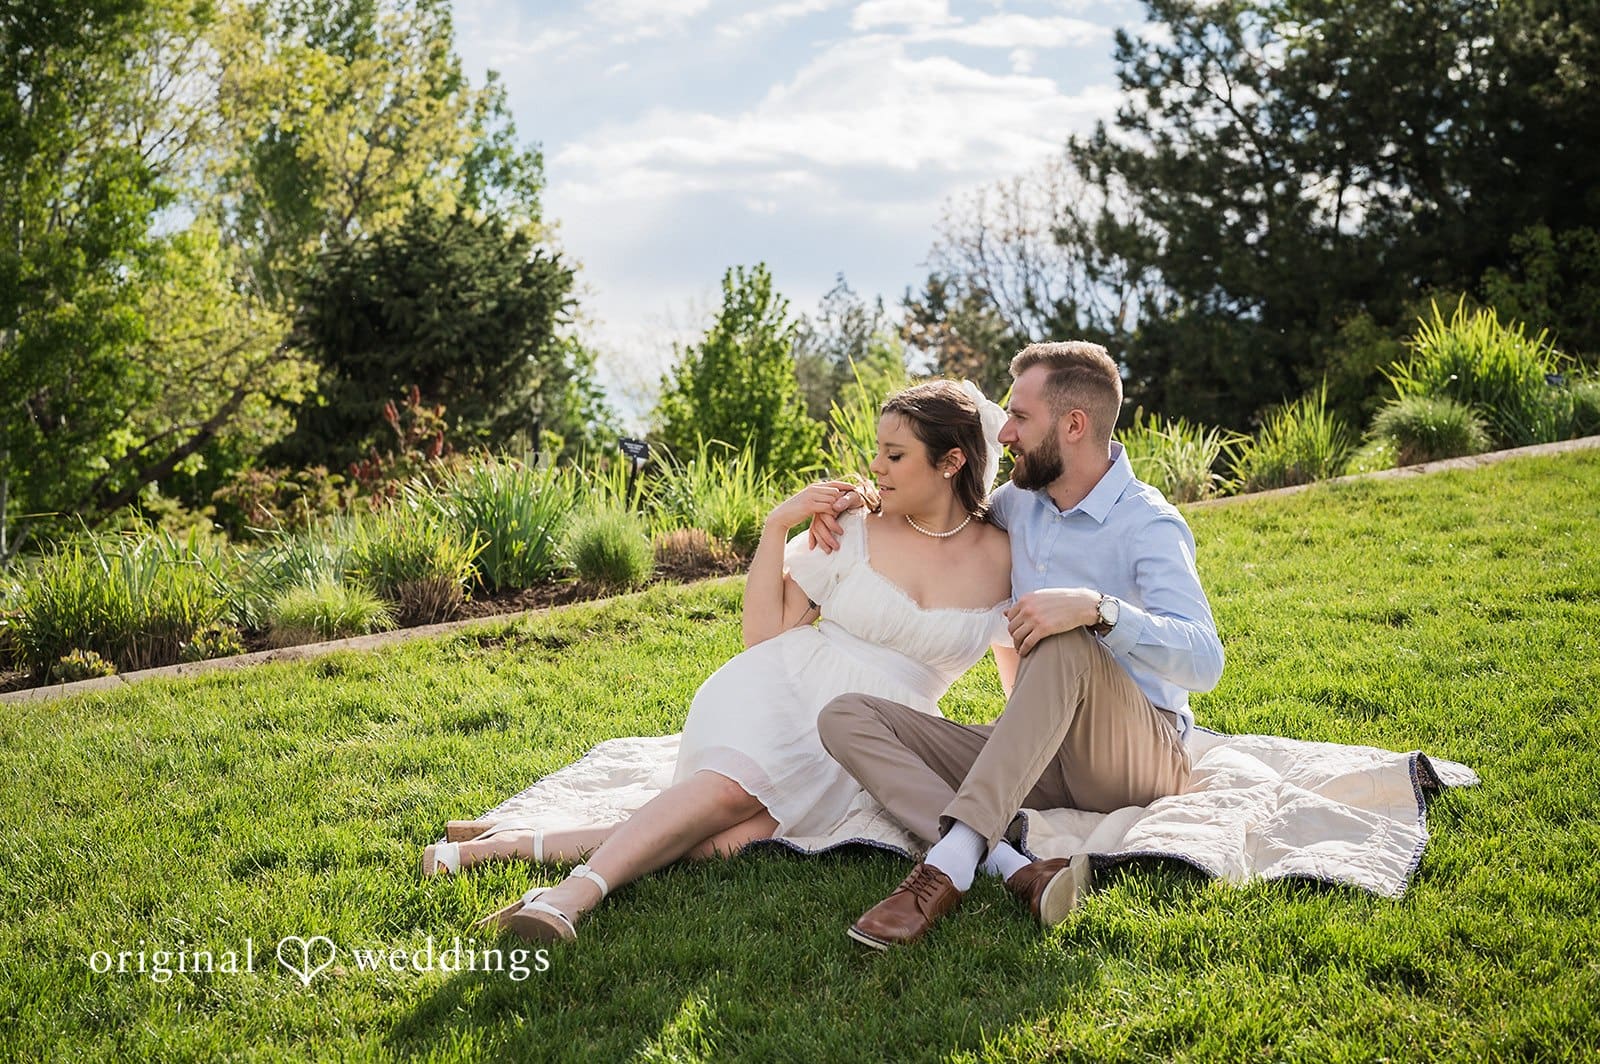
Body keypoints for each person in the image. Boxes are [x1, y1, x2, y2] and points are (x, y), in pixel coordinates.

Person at [421, 379, 1016, 943]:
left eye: (895, 455)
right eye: (878, 453)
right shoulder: (854, 526)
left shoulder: (1008, 556)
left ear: (951, 461)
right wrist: (777, 525)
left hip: (879, 735)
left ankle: (503, 847)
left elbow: (1022, 691)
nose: (876, 468)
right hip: (789, 690)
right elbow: (764, 634)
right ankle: (569, 898)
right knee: (732, 797)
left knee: (737, 838)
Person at [817, 340, 1225, 949]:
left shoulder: (1149, 524)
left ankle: (946, 868)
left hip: (1138, 756)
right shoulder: (1019, 505)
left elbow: (1205, 659)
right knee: (846, 716)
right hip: (1043, 751)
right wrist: (863, 506)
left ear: (1074, 425)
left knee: (1065, 641)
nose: (1004, 432)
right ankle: (1014, 867)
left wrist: (1097, 610)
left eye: (1020, 418)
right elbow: (944, 514)